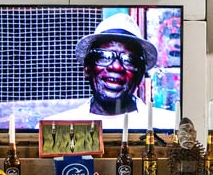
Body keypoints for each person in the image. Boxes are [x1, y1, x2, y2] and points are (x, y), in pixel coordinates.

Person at [42, 12, 174, 130]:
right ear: (87, 68)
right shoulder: (56, 129)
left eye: (128, 59)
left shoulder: (167, 126)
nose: (116, 67)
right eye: (104, 56)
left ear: (140, 76)